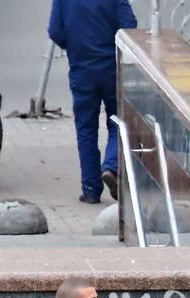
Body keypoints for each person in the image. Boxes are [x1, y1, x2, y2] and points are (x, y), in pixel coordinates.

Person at [48, 0, 137, 203]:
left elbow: (55, 31)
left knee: (86, 129)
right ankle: (111, 167)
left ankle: (91, 189)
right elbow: (128, 25)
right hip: (112, 67)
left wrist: (74, 45)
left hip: (81, 68)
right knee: (118, 121)